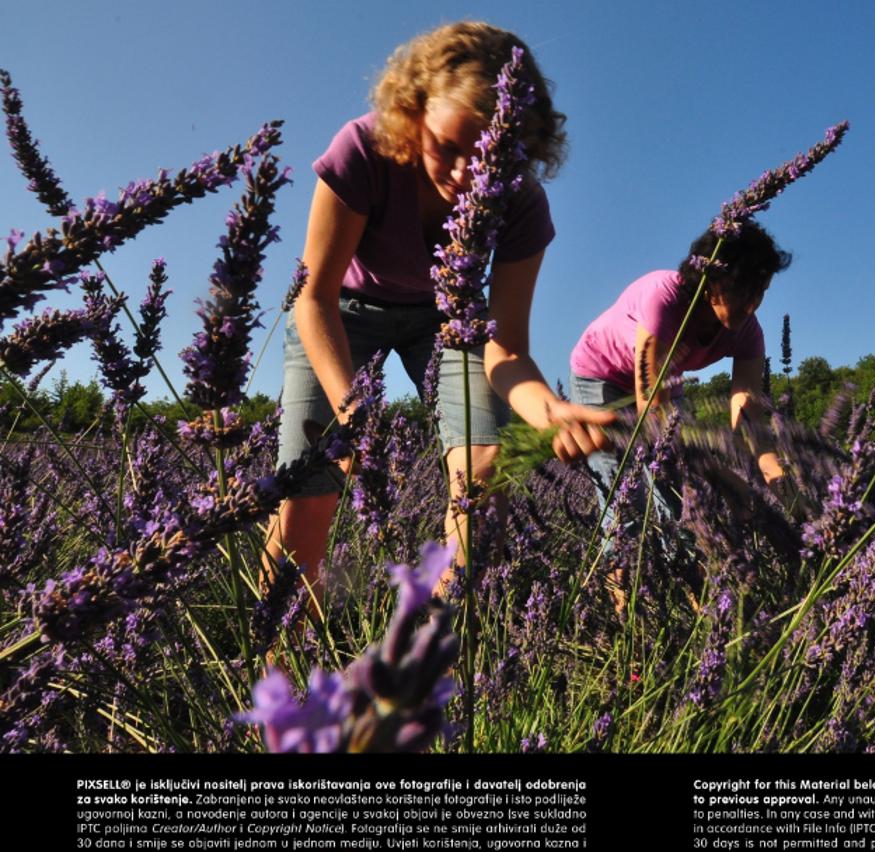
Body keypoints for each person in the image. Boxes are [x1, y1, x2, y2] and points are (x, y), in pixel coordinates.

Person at [266, 22, 612, 601]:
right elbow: (316, 296)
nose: (465, 177)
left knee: (486, 464)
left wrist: (548, 408)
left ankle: (434, 641)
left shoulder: (523, 202)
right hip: (341, 311)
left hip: (448, 319)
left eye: (490, 164)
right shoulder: (364, 150)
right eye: (448, 148)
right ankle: (277, 655)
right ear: (413, 109)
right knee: (307, 478)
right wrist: (353, 414)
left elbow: (506, 348)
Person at [568, 220, 793, 526]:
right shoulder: (665, 299)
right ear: (712, 279)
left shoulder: (748, 333)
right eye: (744, 289)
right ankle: (618, 570)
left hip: (665, 386)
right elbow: (655, 417)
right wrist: (723, 478)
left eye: (761, 292)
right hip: (602, 377)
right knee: (623, 507)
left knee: (684, 508)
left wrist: (780, 482)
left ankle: (679, 565)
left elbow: (750, 419)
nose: (752, 304)